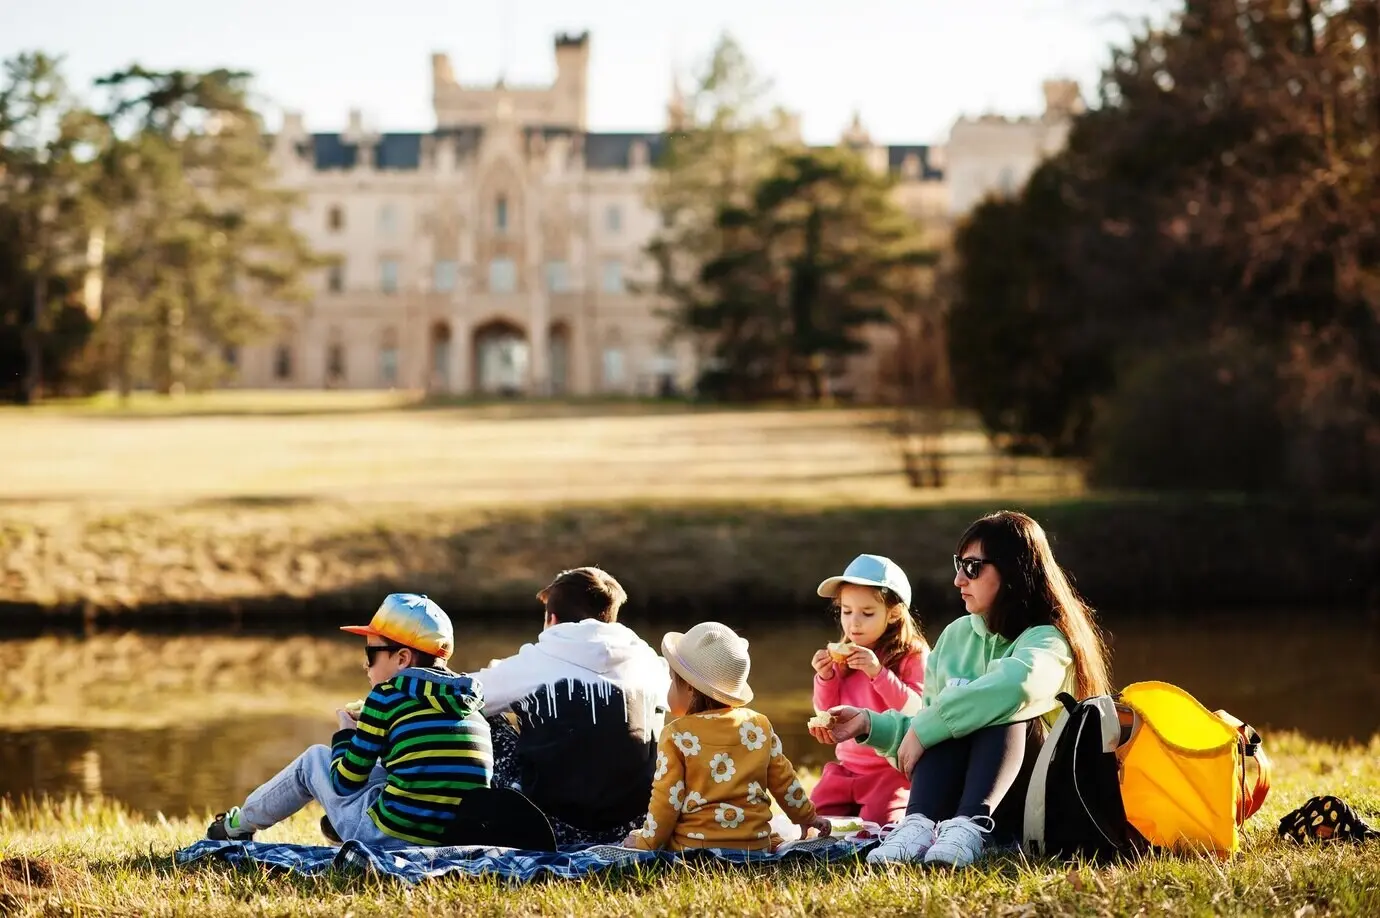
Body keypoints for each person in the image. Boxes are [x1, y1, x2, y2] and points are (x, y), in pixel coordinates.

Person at [819, 511, 1112, 868]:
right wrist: (869, 725)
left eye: (973, 567)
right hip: (954, 801)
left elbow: (1015, 688)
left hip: (1035, 802)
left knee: (996, 708)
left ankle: (972, 825)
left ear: (1013, 571)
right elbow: (924, 729)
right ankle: (919, 825)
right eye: (959, 564)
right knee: (954, 714)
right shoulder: (956, 636)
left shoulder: (1047, 640)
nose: (958, 579)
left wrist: (930, 725)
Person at [206, 593, 492, 847]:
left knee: (314, 760)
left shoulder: (386, 697)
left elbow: (344, 783)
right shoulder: (471, 705)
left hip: (391, 837)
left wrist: (346, 734)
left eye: (371, 654)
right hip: (453, 838)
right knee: (385, 768)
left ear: (402, 658)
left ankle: (237, 826)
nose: (365, 665)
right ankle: (340, 827)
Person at [473, 566, 671, 846]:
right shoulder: (651, 662)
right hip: (634, 825)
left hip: (549, 825)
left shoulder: (536, 661)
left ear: (551, 619)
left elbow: (465, 693)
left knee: (477, 715)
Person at [623, 621, 831, 851]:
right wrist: (807, 817)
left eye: (673, 680)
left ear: (690, 687)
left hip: (695, 848)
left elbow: (666, 801)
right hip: (755, 845)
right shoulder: (757, 725)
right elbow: (784, 780)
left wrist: (645, 842)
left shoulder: (677, 734)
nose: (670, 687)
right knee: (773, 837)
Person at [807, 554, 929, 827]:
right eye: (846, 611)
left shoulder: (912, 655)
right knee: (815, 823)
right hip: (846, 768)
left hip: (890, 771)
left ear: (894, 613)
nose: (854, 623)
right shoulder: (842, 658)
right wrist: (825, 677)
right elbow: (826, 712)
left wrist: (878, 673)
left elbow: (918, 710)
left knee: (881, 826)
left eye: (867, 613)